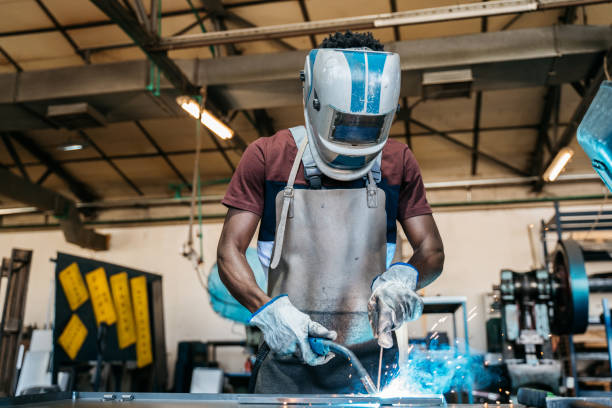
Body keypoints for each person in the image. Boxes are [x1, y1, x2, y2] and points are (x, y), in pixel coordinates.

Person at [217, 31, 444, 394]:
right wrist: (268, 310)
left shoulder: (398, 162)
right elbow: (229, 251)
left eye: (368, 127)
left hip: (372, 366)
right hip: (286, 363)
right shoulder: (268, 156)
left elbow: (431, 251)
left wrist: (405, 277)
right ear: (315, 99)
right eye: (345, 124)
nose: (355, 140)